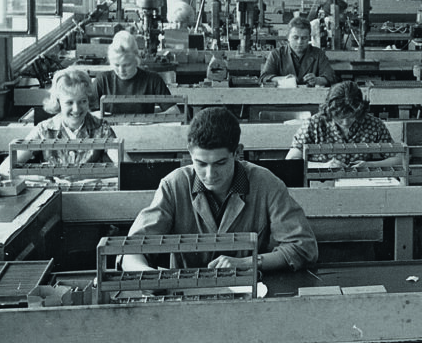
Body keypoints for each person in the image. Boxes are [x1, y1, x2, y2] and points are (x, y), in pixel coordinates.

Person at [119, 107, 318, 272]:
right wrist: (147, 275)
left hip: (250, 293)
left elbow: (303, 247)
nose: (210, 174)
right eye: (201, 163)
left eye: (220, 163)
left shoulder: (266, 184)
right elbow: (130, 251)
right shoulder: (173, 185)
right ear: (190, 153)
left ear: (237, 152)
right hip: (184, 294)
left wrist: (249, 262)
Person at [3, 67, 118, 174]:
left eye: (82, 101)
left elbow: (125, 167)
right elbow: (5, 169)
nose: (76, 109)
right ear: (58, 102)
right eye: (69, 102)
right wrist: (39, 177)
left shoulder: (102, 128)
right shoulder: (43, 130)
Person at [286, 81, 401, 169]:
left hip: (360, 182)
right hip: (320, 182)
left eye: (351, 117)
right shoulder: (314, 124)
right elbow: (291, 160)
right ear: (330, 111)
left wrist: (370, 165)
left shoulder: (374, 125)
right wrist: (323, 166)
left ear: (360, 111)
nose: (345, 123)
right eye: (340, 118)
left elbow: (398, 159)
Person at [93, 30, 174, 114]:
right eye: (116, 65)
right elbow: (88, 113)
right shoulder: (102, 81)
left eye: (126, 65)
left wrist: (150, 118)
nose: (121, 70)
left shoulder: (153, 80)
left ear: (136, 60)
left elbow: (174, 111)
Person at [259, 17, 336, 87]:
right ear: (288, 37)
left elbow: (330, 77)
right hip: (282, 95)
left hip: (311, 95)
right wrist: (283, 79)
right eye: (295, 37)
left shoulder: (319, 54)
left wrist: (317, 80)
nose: (299, 42)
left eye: (304, 38)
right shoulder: (276, 54)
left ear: (309, 38)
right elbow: (264, 77)